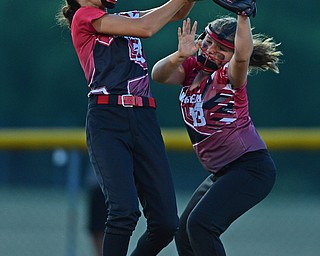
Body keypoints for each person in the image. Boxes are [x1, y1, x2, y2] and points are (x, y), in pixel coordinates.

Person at [57, 0, 197, 255]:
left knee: (166, 223)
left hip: (144, 117)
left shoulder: (123, 18)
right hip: (108, 117)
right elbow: (146, 28)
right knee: (124, 211)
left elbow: (177, 12)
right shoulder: (84, 16)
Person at [151, 13, 282, 256]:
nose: (212, 51)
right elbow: (158, 75)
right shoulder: (192, 69)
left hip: (250, 169)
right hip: (223, 172)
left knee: (201, 226)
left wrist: (243, 18)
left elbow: (242, 57)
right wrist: (180, 54)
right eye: (210, 42)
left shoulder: (229, 76)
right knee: (184, 232)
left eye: (223, 49)